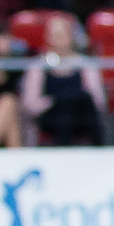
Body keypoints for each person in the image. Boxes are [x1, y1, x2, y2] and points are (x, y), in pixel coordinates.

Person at [20, 14, 105, 145]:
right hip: (50, 117)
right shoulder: (39, 66)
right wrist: (55, 101)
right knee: (64, 103)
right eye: (55, 34)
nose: (58, 38)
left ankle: (100, 151)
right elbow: (30, 104)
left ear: (72, 36)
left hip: (80, 117)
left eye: (62, 33)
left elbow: (98, 101)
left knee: (79, 100)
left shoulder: (85, 65)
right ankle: (62, 150)